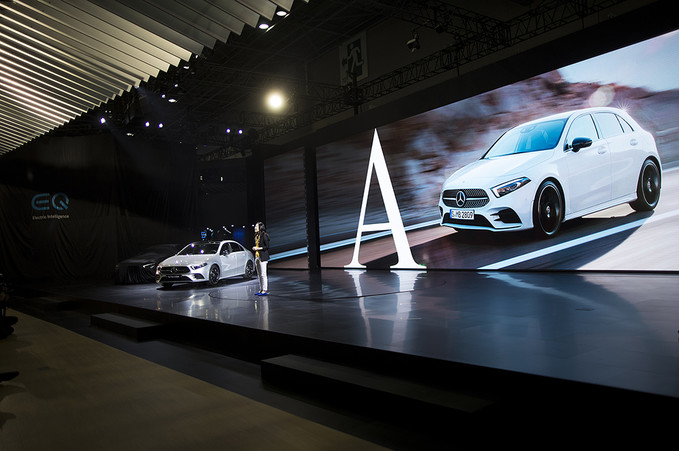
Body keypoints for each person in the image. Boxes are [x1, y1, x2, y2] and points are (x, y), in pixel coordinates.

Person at [252, 222, 270, 296]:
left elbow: (267, 247)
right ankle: (261, 289)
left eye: (256, 226)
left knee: (263, 274)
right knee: (259, 274)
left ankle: (264, 290)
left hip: (263, 257)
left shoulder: (264, 236)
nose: (255, 228)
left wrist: (258, 248)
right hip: (257, 256)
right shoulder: (257, 236)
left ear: (260, 227)